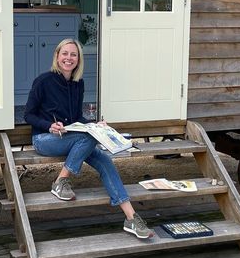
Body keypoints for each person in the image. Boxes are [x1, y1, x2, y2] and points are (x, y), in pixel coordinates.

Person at [24, 38, 154, 240]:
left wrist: (94, 125)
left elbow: (76, 118)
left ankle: (131, 218)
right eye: (65, 53)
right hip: (45, 139)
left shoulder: (78, 84)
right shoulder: (43, 81)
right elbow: (28, 115)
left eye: (73, 55)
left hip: (72, 140)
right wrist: (49, 125)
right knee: (88, 137)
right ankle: (61, 180)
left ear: (78, 59)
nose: (69, 58)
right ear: (57, 56)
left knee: (105, 160)